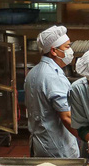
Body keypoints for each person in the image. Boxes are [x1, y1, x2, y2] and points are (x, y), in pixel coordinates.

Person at [25, 25, 79, 158]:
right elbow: (66, 117)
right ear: (54, 51)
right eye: (67, 47)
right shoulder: (53, 76)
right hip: (57, 148)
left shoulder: (33, 72)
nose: (70, 51)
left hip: (40, 143)